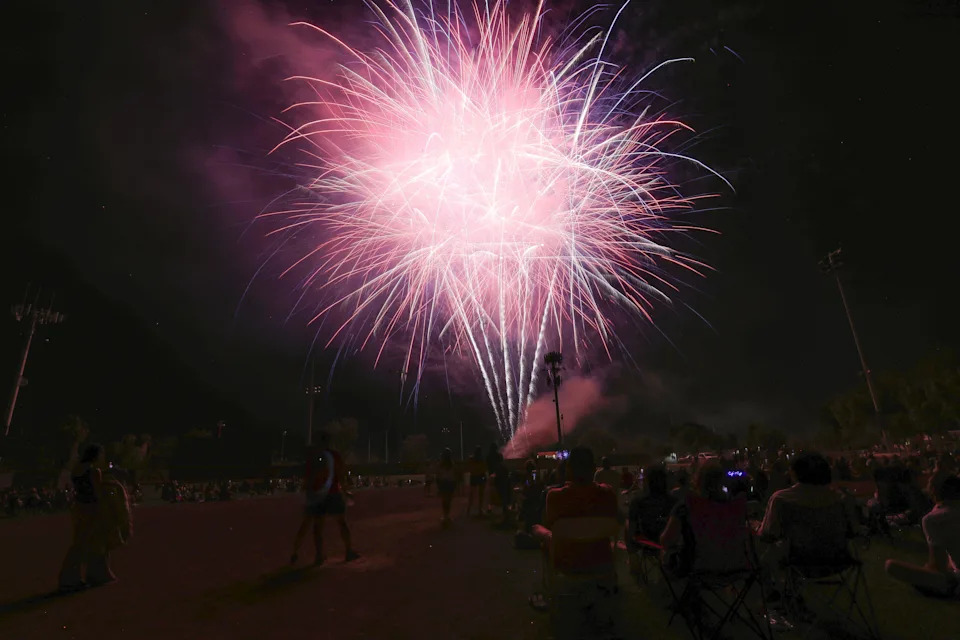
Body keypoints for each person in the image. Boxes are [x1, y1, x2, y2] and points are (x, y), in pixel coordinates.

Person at [59, 443, 131, 591]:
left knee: (79, 542)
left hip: (79, 508)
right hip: (92, 509)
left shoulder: (76, 470)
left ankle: (70, 576)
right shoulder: (94, 471)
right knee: (97, 542)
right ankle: (94, 575)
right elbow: (98, 493)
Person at [290, 432, 360, 565]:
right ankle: (349, 551)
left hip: (317, 496)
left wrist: (307, 494)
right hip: (333, 493)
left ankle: (319, 555)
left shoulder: (314, 457)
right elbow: (340, 475)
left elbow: (308, 478)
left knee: (318, 527)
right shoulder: (334, 456)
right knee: (341, 522)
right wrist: (345, 491)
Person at [885, 475, 960, 598]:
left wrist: (928, 568)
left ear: (934, 491)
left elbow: (938, 566)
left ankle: (947, 589)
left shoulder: (933, 519)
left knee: (891, 566)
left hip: (956, 579)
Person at [436, 448, 458, 527]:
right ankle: (447, 515)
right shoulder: (452, 464)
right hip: (450, 483)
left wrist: (438, 486)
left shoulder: (441, 465)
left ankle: (445, 516)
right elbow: (455, 476)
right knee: (448, 500)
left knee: (445, 500)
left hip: (444, 483)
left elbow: (438, 476)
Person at [466, 446, 487, 517]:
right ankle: (480, 509)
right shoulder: (482, 460)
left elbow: (469, 468)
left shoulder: (471, 459)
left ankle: (468, 510)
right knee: (481, 494)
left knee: (471, 494)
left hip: (474, 477)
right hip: (480, 476)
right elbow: (484, 469)